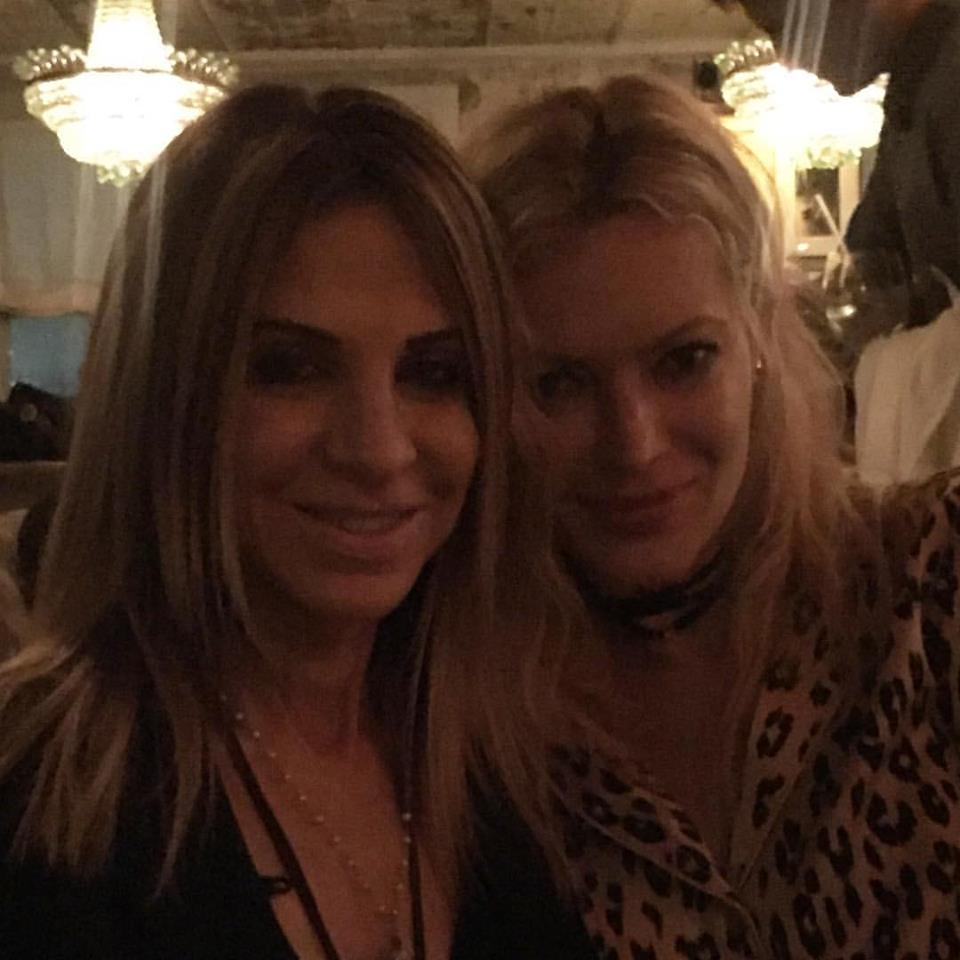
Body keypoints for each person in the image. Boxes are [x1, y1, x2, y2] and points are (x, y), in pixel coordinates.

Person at [0, 84, 595, 959]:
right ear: (163, 400)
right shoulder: (39, 798)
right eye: (289, 368)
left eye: (433, 373)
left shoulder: (485, 756)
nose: (378, 450)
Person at [473, 72, 960, 959]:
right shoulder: (460, 721)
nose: (635, 445)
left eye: (685, 360)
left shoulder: (931, 586)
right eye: (559, 384)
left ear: (759, 337)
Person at [715, 0, 960, 326]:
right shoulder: (911, 93)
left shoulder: (947, 83)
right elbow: (866, 266)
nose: (787, 57)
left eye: (783, 26)